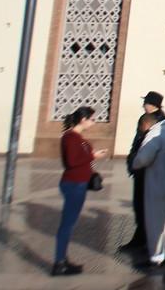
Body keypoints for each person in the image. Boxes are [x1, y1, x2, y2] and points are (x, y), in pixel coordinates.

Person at [54, 106, 108, 276]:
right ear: (83, 119)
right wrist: (93, 156)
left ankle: (62, 259)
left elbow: (80, 157)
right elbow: (72, 160)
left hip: (80, 183)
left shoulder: (78, 138)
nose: (94, 122)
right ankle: (59, 263)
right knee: (67, 225)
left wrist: (92, 155)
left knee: (69, 223)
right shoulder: (70, 137)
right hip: (73, 184)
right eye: (92, 119)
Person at [132, 112, 165, 267]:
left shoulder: (154, 134)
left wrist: (135, 163)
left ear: (145, 124)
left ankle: (156, 255)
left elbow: (142, 159)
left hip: (157, 184)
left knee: (155, 221)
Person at [120, 92, 165, 254]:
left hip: (149, 169)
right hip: (141, 167)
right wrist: (132, 162)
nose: (144, 105)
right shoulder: (147, 118)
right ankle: (140, 238)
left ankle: (147, 240)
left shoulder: (159, 121)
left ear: (153, 104)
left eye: (146, 102)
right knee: (139, 205)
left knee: (146, 206)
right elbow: (136, 143)